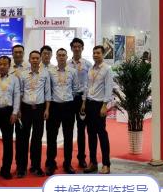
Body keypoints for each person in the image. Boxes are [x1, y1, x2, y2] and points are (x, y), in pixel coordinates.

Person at [16, 50, 51, 178]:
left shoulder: (45, 74)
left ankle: (36, 166)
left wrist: (47, 110)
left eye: (37, 58)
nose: (35, 60)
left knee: (37, 139)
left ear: (40, 60)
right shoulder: (23, 74)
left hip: (39, 109)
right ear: (29, 60)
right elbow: (19, 93)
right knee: (23, 139)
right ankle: (21, 167)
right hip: (25, 109)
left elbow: (48, 93)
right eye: (33, 58)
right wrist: (18, 109)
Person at [81, 45, 114, 174]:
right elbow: (87, 86)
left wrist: (105, 105)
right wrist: (84, 102)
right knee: (91, 135)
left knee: (102, 134)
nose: (95, 55)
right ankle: (93, 162)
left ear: (103, 54)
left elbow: (109, 88)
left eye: (98, 53)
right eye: (94, 53)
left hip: (99, 105)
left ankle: (106, 164)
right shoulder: (90, 69)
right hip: (89, 104)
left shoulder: (107, 69)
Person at [47, 47, 80, 175]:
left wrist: (68, 99)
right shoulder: (50, 71)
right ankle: (51, 163)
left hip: (68, 107)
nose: (61, 57)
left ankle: (67, 164)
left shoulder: (73, 71)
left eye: (63, 55)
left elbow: (75, 88)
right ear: (56, 57)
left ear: (67, 57)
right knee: (51, 136)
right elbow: (48, 89)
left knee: (68, 136)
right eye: (59, 55)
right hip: (54, 106)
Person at [68, 37, 92, 169]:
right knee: (68, 129)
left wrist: (84, 100)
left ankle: (81, 158)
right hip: (70, 100)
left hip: (82, 100)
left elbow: (89, 83)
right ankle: (67, 160)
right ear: (71, 48)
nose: (77, 48)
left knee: (81, 130)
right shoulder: (67, 64)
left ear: (82, 48)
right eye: (74, 46)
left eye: (79, 46)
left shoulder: (88, 64)